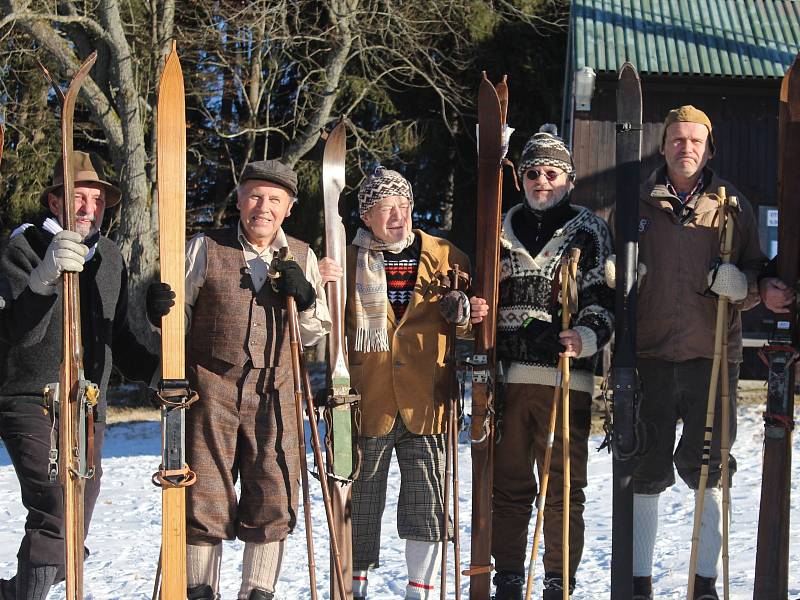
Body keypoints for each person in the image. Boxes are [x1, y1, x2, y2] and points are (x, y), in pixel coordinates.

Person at [147, 159, 332, 600]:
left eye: (274, 200)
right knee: (202, 493)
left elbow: (315, 329)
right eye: (254, 196)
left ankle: (257, 592)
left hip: (276, 391)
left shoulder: (302, 256)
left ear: (288, 207)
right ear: (240, 199)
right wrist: (158, 309)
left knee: (274, 489)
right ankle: (199, 590)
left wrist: (305, 296)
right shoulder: (204, 247)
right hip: (208, 388)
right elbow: (174, 322)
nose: (262, 207)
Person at [318, 167, 488, 600]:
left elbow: (473, 332)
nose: (396, 215)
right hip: (359, 402)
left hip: (430, 401)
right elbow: (322, 325)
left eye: (402, 205)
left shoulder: (449, 256)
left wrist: (466, 313)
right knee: (359, 502)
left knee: (427, 504)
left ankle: (420, 591)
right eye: (383, 208)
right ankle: (352, 588)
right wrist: (319, 284)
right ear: (366, 217)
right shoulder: (346, 260)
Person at [620, 106, 766, 600]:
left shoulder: (733, 207)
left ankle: (703, 585)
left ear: (709, 148)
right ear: (663, 146)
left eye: (695, 141)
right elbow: (609, 269)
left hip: (713, 357)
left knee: (712, 470)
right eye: (677, 140)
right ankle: (639, 583)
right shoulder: (635, 202)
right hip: (650, 356)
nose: (686, 148)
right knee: (645, 467)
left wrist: (741, 286)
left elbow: (758, 277)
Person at [0, 151, 159, 600]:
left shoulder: (109, 256)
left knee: (73, 523)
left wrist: (158, 371)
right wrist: (43, 280)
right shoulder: (22, 246)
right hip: (30, 396)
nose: (89, 209)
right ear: (55, 203)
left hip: (89, 404)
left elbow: (122, 340)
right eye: (78, 197)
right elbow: (17, 334)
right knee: (56, 506)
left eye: (97, 200)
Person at [489, 126, 614, 600]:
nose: (543, 182)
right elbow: (487, 297)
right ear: (521, 179)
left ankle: (559, 579)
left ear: (569, 179)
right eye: (534, 173)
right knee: (511, 485)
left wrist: (583, 336)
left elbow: (603, 296)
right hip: (510, 380)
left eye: (553, 173)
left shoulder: (589, 228)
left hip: (568, 381)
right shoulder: (499, 228)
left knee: (563, 489)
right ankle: (508, 576)